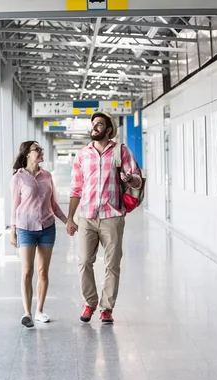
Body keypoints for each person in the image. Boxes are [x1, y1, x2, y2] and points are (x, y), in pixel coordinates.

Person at [66, 111, 143, 324]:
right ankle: (89, 302)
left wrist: (129, 178)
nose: (94, 127)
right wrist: (70, 218)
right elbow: (75, 189)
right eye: (93, 124)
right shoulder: (82, 154)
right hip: (87, 216)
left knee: (112, 264)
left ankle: (106, 308)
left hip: (112, 216)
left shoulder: (121, 151)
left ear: (109, 129)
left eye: (99, 124)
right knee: (83, 261)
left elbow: (137, 181)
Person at [10, 141, 67, 328]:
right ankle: (26, 313)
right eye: (37, 150)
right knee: (27, 271)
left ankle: (39, 311)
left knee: (43, 271)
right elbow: (14, 206)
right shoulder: (18, 178)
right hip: (25, 228)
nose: (41, 152)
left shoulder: (47, 176)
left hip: (47, 227)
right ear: (27, 154)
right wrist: (13, 231)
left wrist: (69, 221)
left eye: (41, 149)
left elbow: (54, 204)